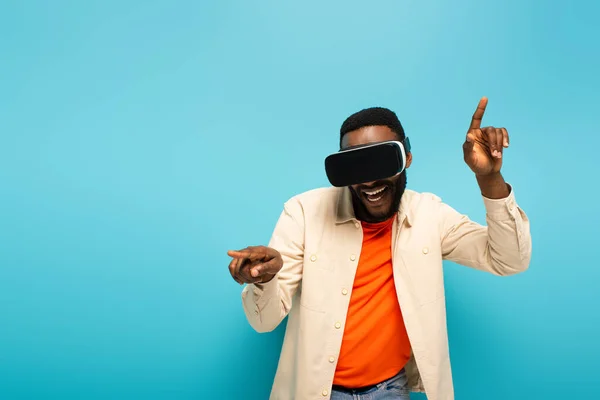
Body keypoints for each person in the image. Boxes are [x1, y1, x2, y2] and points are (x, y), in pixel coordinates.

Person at [227, 97, 532, 400]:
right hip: (316, 390)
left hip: (390, 389)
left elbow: (509, 260)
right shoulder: (304, 213)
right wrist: (264, 280)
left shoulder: (430, 215)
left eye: (381, 162)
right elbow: (263, 321)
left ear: (407, 158)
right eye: (357, 165)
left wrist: (489, 178)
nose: (370, 180)